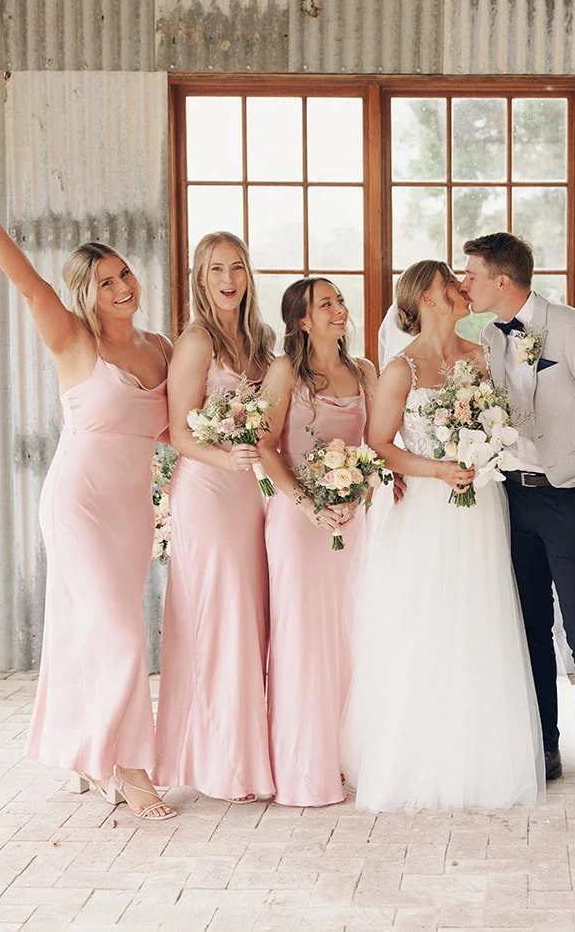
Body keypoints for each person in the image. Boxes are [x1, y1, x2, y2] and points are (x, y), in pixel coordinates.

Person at [0, 188, 175, 821]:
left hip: (132, 511)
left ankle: (89, 752)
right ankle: (129, 769)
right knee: (121, 636)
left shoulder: (161, 349)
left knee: (95, 631)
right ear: (87, 293)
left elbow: (172, 431)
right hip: (79, 504)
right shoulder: (75, 340)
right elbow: (31, 288)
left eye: (125, 273)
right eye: (107, 281)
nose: (123, 287)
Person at [343, 261, 544, 811]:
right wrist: (438, 469)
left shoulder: (482, 356)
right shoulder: (401, 369)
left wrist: (485, 450)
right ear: (426, 299)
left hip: (479, 507)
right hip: (427, 510)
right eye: (449, 284)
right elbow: (380, 443)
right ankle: (418, 754)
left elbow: (503, 424)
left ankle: (483, 754)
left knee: (480, 617)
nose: (461, 288)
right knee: (426, 621)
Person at [461, 233, 575, 808]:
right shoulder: (488, 337)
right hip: (510, 500)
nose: (465, 284)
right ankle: (546, 747)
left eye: (472, 275)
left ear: (502, 280)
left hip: (567, 500)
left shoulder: (574, 329)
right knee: (530, 630)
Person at [154, 232, 278, 804]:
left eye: (237, 268)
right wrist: (228, 458)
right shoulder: (196, 341)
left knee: (248, 620)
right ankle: (219, 763)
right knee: (218, 619)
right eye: (216, 270)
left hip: (250, 493)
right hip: (207, 490)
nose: (228, 280)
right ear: (200, 280)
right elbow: (179, 432)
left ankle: (245, 755)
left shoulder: (261, 340)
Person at [258, 277, 375, 807]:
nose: (339, 309)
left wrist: (359, 494)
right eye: (325, 304)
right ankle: (303, 769)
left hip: (352, 520)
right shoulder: (285, 371)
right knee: (302, 640)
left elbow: (377, 446)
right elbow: (264, 446)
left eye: (339, 301)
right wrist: (308, 504)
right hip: (297, 521)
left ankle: (345, 756)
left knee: (349, 636)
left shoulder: (364, 371)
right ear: (303, 321)